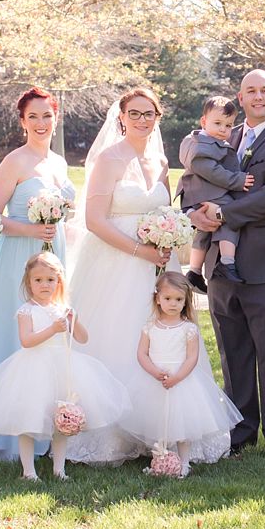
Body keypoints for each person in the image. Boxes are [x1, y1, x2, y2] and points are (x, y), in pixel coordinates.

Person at [191, 69, 265, 456]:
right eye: (250, 92)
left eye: (264, 90)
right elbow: (198, 179)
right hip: (221, 266)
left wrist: (222, 216)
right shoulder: (225, 135)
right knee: (233, 351)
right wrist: (195, 213)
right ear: (240, 99)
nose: (257, 97)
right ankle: (239, 432)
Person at [64, 87, 181, 465]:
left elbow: (166, 210)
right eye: (135, 113)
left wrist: (167, 241)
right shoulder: (108, 160)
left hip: (157, 265)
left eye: (149, 114)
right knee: (116, 337)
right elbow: (94, 221)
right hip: (116, 262)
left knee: (159, 339)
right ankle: (111, 432)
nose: (143, 120)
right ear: (122, 117)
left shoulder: (162, 162)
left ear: (158, 118)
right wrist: (139, 250)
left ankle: (154, 429)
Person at [0, 253, 129, 481]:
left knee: (62, 420)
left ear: (59, 282)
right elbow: (26, 341)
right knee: (27, 420)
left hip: (62, 369)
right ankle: (28, 471)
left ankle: (59, 469)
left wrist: (73, 319)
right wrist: (52, 330)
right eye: (38, 280)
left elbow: (83, 338)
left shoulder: (63, 309)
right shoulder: (26, 310)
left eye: (50, 279)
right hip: (33, 368)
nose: (44, 285)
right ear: (28, 283)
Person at [0, 85, 78, 460]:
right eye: (32, 116)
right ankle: (7, 435)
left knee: (50, 343)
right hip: (20, 254)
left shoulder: (58, 163)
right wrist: (31, 230)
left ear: (56, 118)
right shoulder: (14, 162)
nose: (40, 122)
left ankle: (49, 427)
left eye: (46, 115)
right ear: (22, 121)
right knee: (18, 337)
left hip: (54, 255)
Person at [117, 272, 243, 476]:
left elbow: (192, 358)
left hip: (182, 381)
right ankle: (160, 460)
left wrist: (177, 378)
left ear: (185, 301)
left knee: (183, 427)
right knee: (158, 423)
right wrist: (154, 371)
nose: (173, 304)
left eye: (178, 299)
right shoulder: (149, 328)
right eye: (168, 299)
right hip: (155, 381)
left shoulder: (188, 329)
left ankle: (184, 463)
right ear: (157, 299)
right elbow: (141, 354)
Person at [180, 95, 253, 291]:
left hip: (199, 193)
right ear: (204, 122)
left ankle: (194, 271)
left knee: (204, 230)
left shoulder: (198, 141)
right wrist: (237, 180)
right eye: (218, 123)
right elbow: (211, 171)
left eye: (228, 126)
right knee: (230, 216)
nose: (223, 129)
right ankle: (228, 263)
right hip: (209, 192)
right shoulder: (202, 145)